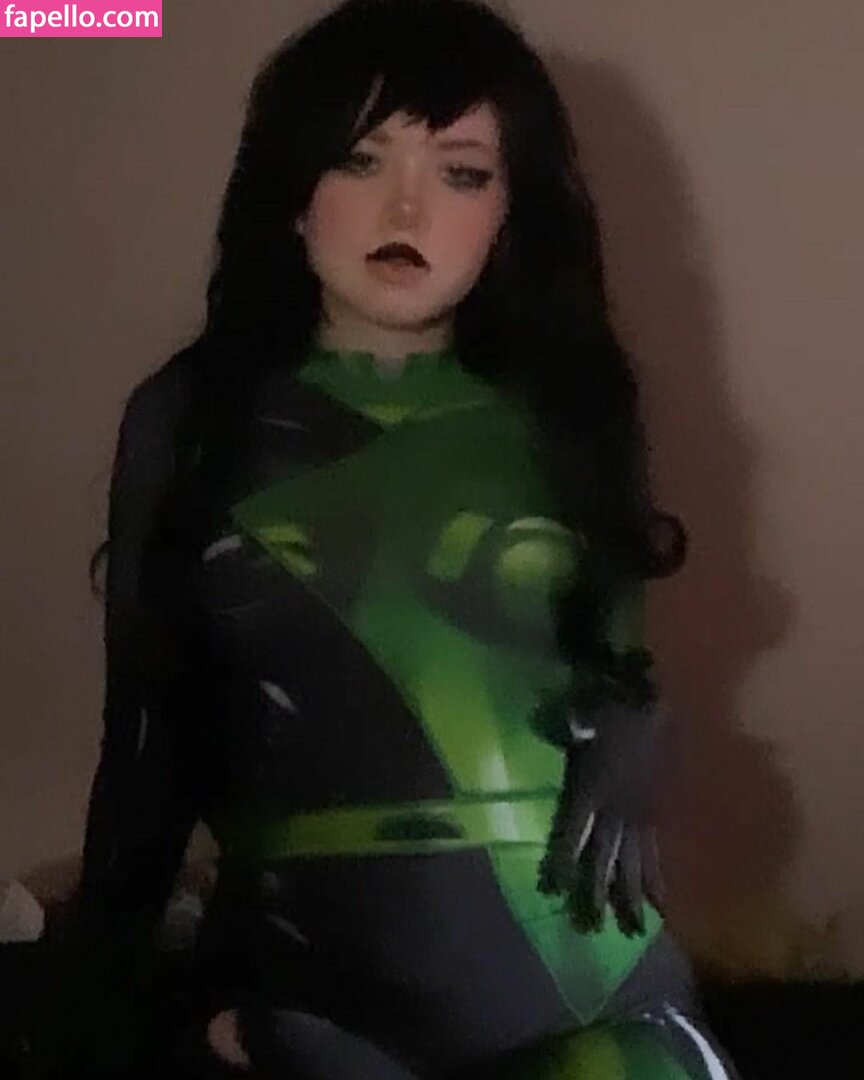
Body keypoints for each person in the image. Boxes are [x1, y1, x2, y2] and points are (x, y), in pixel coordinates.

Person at [56, 0, 740, 1076]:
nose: (408, 207)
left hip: (597, 994)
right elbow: (145, 747)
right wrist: (88, 1006)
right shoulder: (192, 420)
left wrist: (640, 724)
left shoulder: (572, 412)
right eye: (360, 160)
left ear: (509, 210)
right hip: (319, 1003)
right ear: (293, 194)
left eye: (462, 172)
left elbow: (613, 668)